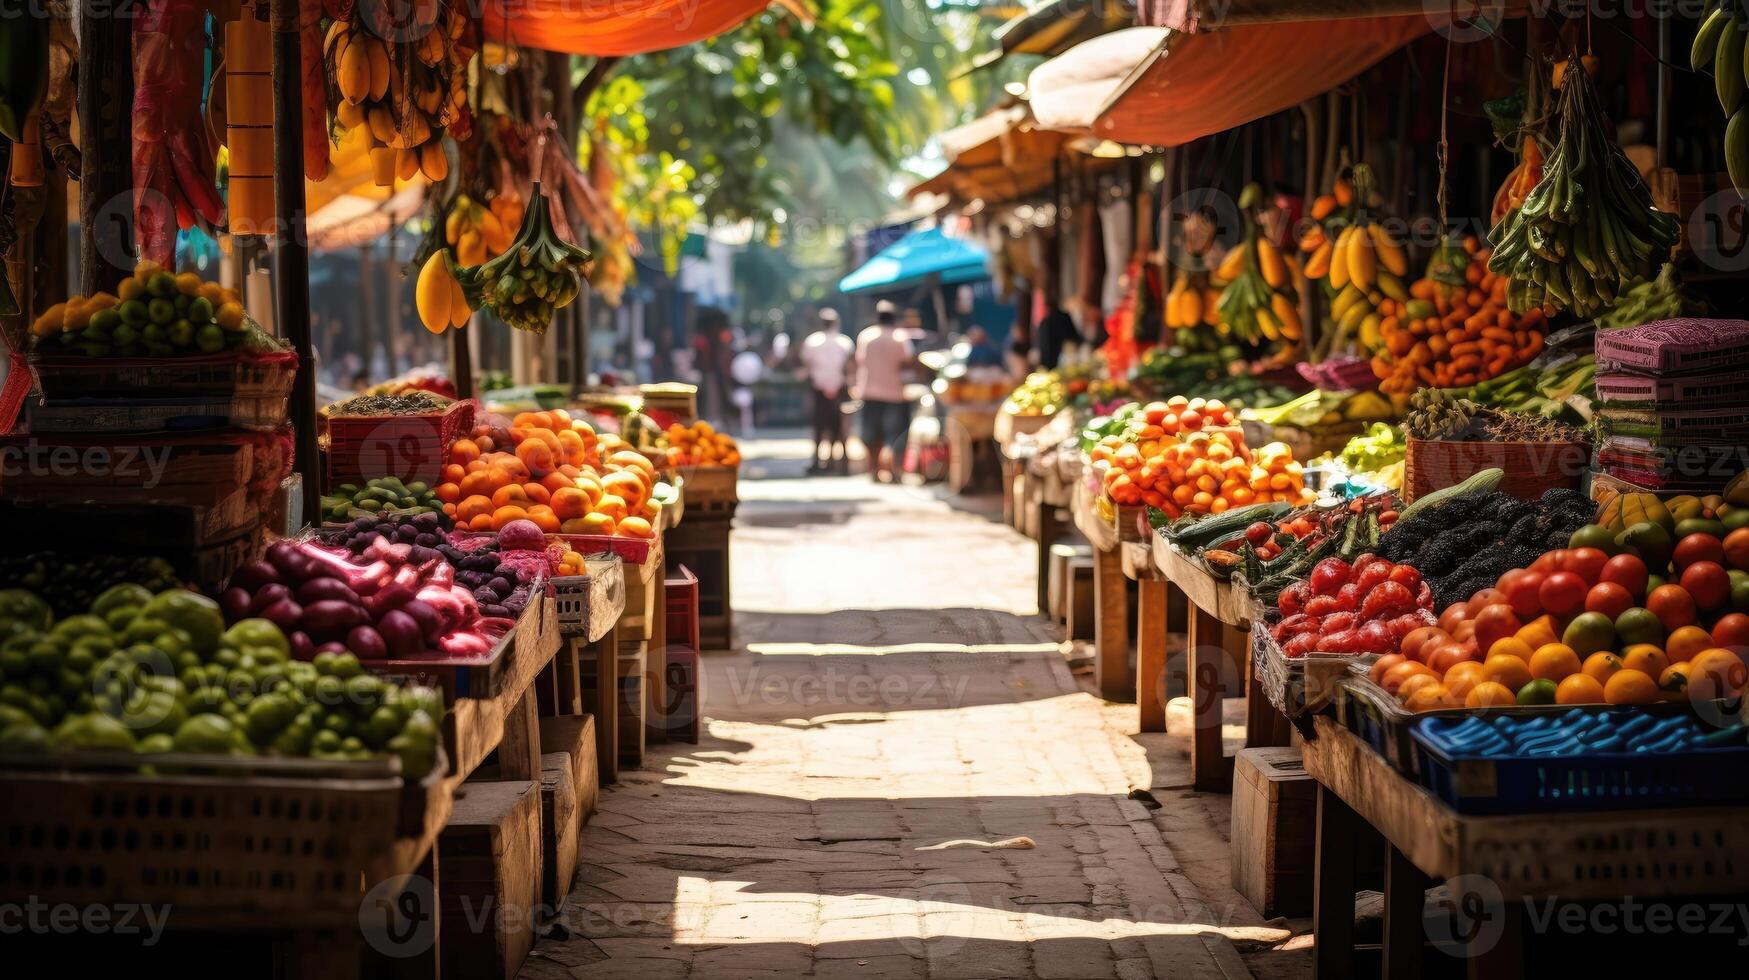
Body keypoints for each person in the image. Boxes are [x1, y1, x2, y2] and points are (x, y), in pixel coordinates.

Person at [855, 300, 914, 483]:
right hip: (894, 393)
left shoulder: (866, 336)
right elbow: (909, 360)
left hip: (869, 391)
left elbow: (860, 360)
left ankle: (873, 470)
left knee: (872, 433)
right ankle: (894, 470)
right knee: (895, 434)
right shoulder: (900, 337)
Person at [798, 308, 854, 473]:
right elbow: (849, 367)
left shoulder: (812, 342)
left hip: (819, 389)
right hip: (840, 389)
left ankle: (818, 460)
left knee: (819, 427)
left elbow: (807, 365)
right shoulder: (845, 342)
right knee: (840, 427)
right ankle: (839, 462)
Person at [1036, 293, 1081, 370]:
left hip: (1064, 361)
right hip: (1063, 362)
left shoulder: (1045, 322)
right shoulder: (1046, 322)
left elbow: (1071, 341)